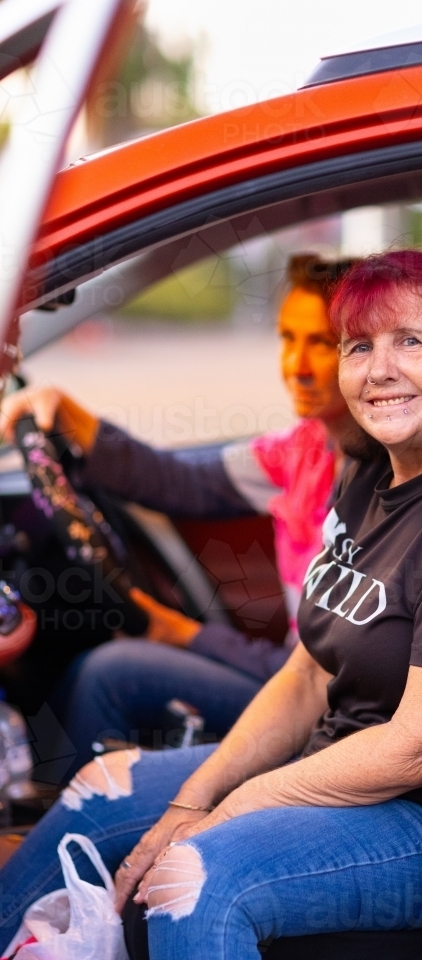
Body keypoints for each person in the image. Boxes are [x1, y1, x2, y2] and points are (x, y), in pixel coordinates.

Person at [0, 249, 422, 960]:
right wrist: (194, 797)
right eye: (359, 346)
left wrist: (227, 809)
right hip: (338, 766)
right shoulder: (366, 468)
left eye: (408, 342)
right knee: (98, 789)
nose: (378, 369)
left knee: (193, 879)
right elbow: (309, 671)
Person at [0, 255, 357, 774]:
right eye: (287, 338)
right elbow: (183, 483)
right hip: (288, 677)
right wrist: (67, 412)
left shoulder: (379, 485)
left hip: (319, 709)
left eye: (321, 343)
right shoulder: (305, 449)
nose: (295, 365)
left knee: (111, 670)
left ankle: (75, 822)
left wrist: (183, 633)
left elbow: (323, 675)